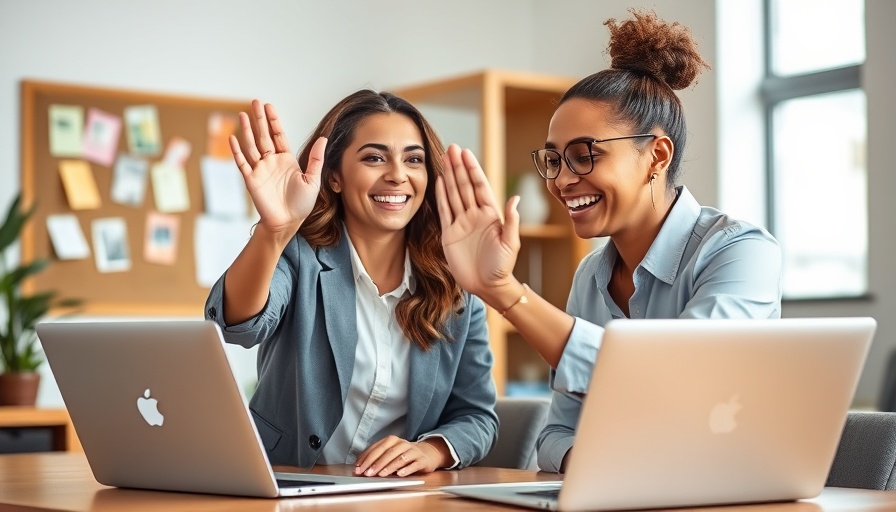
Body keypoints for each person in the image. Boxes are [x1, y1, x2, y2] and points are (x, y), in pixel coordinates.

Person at [435, 9, 782, 473]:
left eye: (584, 155)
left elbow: (683, 379)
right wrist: (606, 467)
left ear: (656, 156)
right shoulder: (591, 276)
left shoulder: (740, 253)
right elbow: (555, 436)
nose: (561, 180)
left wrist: (504, 291)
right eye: (554, 160)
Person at [204, 90, 497, 476]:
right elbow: (237, 326)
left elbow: (477, 416)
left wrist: (433, 450)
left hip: (396, 496)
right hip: (286, 482)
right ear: (335, 176)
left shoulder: (454, 284)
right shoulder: (299, 256)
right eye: (374, 158)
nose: (397, 174)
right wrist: (274, 232)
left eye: (413, 159)